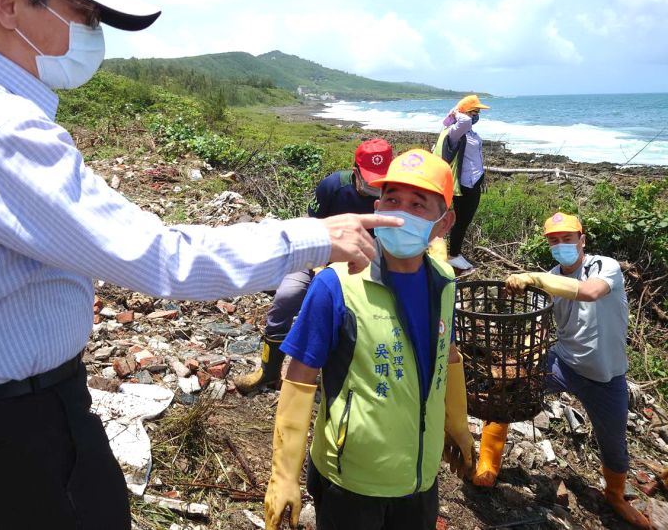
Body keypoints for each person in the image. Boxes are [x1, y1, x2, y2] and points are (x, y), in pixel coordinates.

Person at [0, 0, 400, 530]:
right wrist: (315, 237)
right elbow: (161, 258)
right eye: (82, 12)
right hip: (21, 436)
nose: (91, 34)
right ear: (8, 1)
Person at [264, 149, 476, 530]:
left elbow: (449, 354)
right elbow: (299, 376)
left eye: (418, 204)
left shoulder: (444, 282)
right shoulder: (337, 284)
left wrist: (457, 424)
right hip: (351, 481)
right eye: (393, 200)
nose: (401, 213)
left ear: (444, 223)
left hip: (421, 478)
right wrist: (284, 475)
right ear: (377, 207)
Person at [474, 213, 649, 529]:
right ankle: (487, 463)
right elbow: (538, 325)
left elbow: (590, 292)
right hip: (563, 363)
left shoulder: (604, 267)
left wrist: (535, 278)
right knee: (508, 396)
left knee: (614, 442)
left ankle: (615, 495)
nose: (561, 245)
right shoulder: (551, 277)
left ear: (582, 239)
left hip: (606, 377)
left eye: (567, 238)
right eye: (554, 240)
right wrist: (521, 359)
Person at [234, 138, 393, 394]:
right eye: (370, 180)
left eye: (381, 180)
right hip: (318, 254)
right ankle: (268, 371)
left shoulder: (394, 194)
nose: (377, 187)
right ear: (356, 173)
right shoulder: (333, 186)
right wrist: (319, 266)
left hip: (363, 265)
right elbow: (312, 227)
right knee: (286, 298)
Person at [434, 94, 490, 272]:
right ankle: (453, 255)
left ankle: (455, 253)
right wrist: (456, 112)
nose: (476, 115)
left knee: (465, 220)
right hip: (463, 185)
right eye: (474, 111)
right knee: (459, 220)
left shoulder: (469, 132)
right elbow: (464, 121)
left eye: (478, 112)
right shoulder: (455, 131)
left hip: (474, 183)